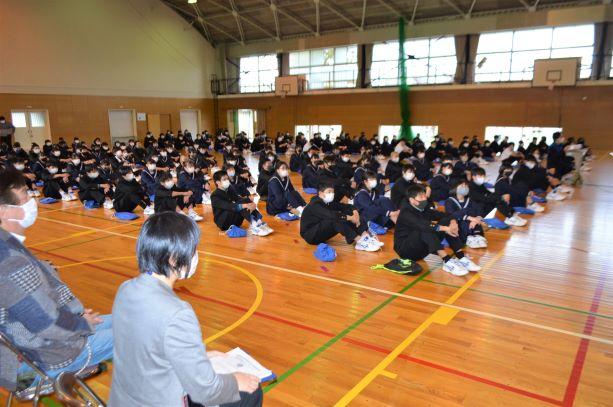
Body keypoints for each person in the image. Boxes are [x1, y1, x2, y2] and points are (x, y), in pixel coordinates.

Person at [110, 212, 263, 407]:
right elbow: (206, 392)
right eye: (193, 250)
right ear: (174, 259)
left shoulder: (126, 289)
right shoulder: (178, 313)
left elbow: (150, 350)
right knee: (251, 392)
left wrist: (201, 359)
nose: (196, 256)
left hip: (126, 398)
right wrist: (236, 381)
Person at [0, 167, 113, 391]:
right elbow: (46, 324)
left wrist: (75, 315)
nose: (31, 201)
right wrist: (82, 324)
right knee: (140, 329)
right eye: (24, 196)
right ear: (4, 211)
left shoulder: (9, 246)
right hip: (40, 359)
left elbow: (37, 308)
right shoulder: (11, 261)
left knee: (130, 319)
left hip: (35, 344)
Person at [394, 184, 481, 276]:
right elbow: (423, 225)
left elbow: (445, 215)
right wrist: (446, 229)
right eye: (421, 197)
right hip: (406, 250)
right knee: (426, 228)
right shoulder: (406, 212)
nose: (425, 199)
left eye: (425, 196)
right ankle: (447, 261)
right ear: (412, 200)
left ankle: (461, 257)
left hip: (422, 250)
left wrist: (453, 222)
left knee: (445, 221)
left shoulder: (424, 208)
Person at [299, 183, 381, 251]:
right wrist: (351, 218)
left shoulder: (327, 202)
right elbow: (332, 215)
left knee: (346, 213)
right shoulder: (315, 204)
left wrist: (355, 213)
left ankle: (364, 235)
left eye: (333, 192)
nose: (332, 194)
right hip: (311, 236)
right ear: (320, 193)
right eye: (329, 191)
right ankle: (360, 241)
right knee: (335, 219)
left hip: (319, 230)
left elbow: (346, 206)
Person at [210, 171, 273, 236]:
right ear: (218, 182)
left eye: (227, 178)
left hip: (235, 220)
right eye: (224, 179)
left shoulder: (230, 189)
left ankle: (258, 222)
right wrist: (245, 205)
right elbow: (228, 206)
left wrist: (250, 201)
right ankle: (255, 225)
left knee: (244, 202)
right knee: (241, 205)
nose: (227, 181)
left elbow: (238, 199)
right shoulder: (215, 195)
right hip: (224, 222)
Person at [444, 179, 487, 249]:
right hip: (457, 222)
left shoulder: (469, 200)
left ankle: (478, 236)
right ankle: (468, 238)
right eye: (462, 185)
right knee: (463, 222)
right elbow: (452, 214)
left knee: (476, 222)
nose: (464, 187)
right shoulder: (449, 201)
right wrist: (469, 217)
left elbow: (478, 209)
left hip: (471, 222)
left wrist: (476, 219)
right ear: (455, 188)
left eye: (466, 186)